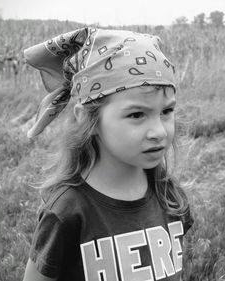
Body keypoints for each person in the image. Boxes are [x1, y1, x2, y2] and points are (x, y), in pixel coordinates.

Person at [22, 27, 194, 281]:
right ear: (87, 120)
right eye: (137, 115)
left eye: (166, 112)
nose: (159, 131)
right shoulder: (67, 211)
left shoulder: (168, 195)